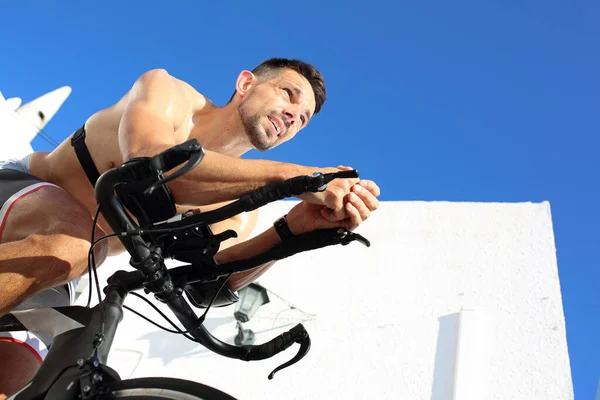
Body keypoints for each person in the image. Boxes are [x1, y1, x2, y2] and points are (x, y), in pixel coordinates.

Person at [0, 57, 380, 397]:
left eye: (304, 118)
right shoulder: (170, 95)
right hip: (22, 194)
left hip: (65, 265)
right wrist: (303, 180)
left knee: (16, 372)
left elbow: (209, 282)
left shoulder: (240, 211)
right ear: (246, 83)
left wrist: (294, 230)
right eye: (288, 94)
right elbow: (150, 168)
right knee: (77, 246)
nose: (294, 114)